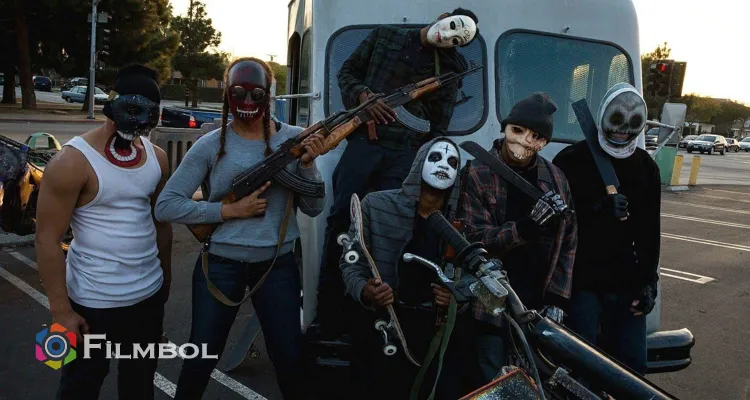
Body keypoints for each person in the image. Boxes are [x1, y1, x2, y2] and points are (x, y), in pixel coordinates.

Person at [154, 57, 326, 400]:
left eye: (256, 94)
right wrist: (228, 210)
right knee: (201, 357)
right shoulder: (210, 145)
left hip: (276, 267)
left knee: (290, 357)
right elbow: (166, 205)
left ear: (268, 95)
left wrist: (307, 166)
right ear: (226, 96)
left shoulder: (295, 139)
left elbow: (313, 208)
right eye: (238, 93)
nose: (247, 102)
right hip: (221, 264)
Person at [318, 7, 480, 337]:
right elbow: (347, 73)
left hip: (406, 153)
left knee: (389, 232)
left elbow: (438, 125)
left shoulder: (450, 69)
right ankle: (330, 314)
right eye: (452, 27)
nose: (450, 37)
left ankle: (381, 319)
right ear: (443, 16)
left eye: (458, 40)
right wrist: (364, 97)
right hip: (365, 143)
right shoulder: (385, 36)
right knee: (341, 220)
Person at [35, 64, 172, 400]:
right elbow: (47, 239)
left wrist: (165, 282)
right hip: (90, 303)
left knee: (139, 386)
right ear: (112, 105)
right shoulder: (71, 162)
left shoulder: (157, 158)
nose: (139, 122)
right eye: (131, 109)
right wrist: (61, 312)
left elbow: (161, 223)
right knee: (78, 387)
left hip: (147, 298)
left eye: (149, 114)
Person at [339, 137, 481, 399]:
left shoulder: (463, 222)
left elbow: (478, 276)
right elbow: (351, 263)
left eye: (452, 162)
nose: (444, 166)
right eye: (436, 158)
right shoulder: (376, 206)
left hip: (435, 331)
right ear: (419, 164)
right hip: (385, 325)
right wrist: (366, 290)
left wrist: (456, 295)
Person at [457, 92, 577, 383]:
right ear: (505, 128)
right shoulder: (478, 172)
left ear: (544, 142)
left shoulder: (556, 179)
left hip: (537, 306)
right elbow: (473, 239)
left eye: (536, 136)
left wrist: (557, 299)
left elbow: (568, 242)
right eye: (518, 130)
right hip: (489, 303)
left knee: (535, 380)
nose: (524, 141)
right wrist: (523, 229)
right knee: (490, 380)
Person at [552, 83, 659, 375]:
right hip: (580, 282)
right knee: (581, 368)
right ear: (603, 115)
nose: (622, 130)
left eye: (631, 122)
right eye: (617, 119)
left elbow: (649, 233)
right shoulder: (570, 160)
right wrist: (597, 208)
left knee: (632, 370)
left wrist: (648, 283)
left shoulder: (645, 166)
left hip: (625, 283)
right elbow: (555, 222)